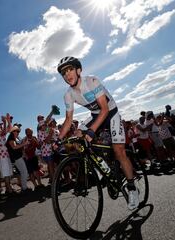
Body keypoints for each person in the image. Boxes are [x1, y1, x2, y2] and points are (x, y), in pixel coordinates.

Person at [56, 56, 139, 210]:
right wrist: (58, 139)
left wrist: (92, 131)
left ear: (78, 70)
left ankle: (132, 189)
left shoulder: (91, 81)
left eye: (70, 70)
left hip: (110, 113)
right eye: (64, 73)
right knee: (78, 135)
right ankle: (98, 167)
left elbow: (105, 109)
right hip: (95, 114)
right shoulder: (68, 94)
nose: (67, 75)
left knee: (118, 150)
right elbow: (68, 120)